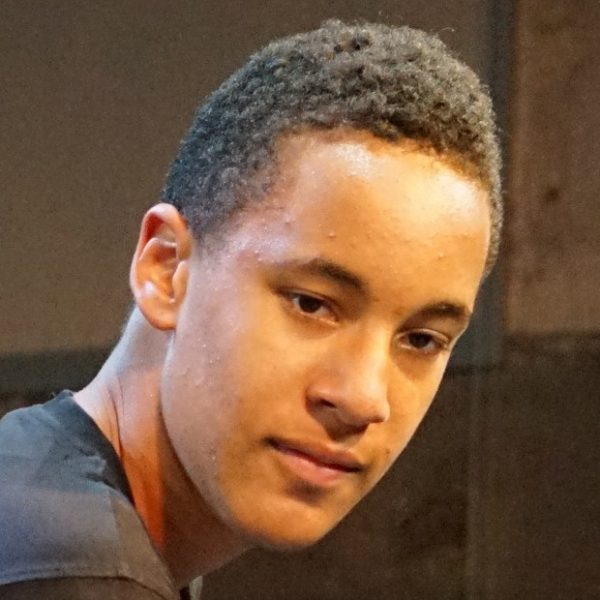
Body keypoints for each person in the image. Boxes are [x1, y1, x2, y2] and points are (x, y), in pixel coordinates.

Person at [0, 19, 502, 600]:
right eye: (311, 304)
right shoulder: (77, 569)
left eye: (421, 339)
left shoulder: (42, 495)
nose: (364, 398)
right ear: (166, 269)